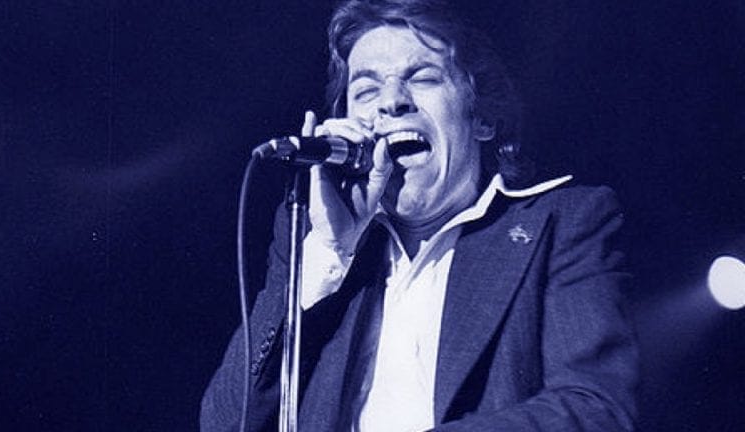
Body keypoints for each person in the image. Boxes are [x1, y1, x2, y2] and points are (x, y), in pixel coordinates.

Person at [201, 0, 638, 430]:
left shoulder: (562, 223)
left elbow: (596, 409)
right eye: (366, 90)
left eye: (423, 78)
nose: (391, 102)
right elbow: (225, 424)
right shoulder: (310, 242)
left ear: (483, 117)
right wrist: (328, 254)